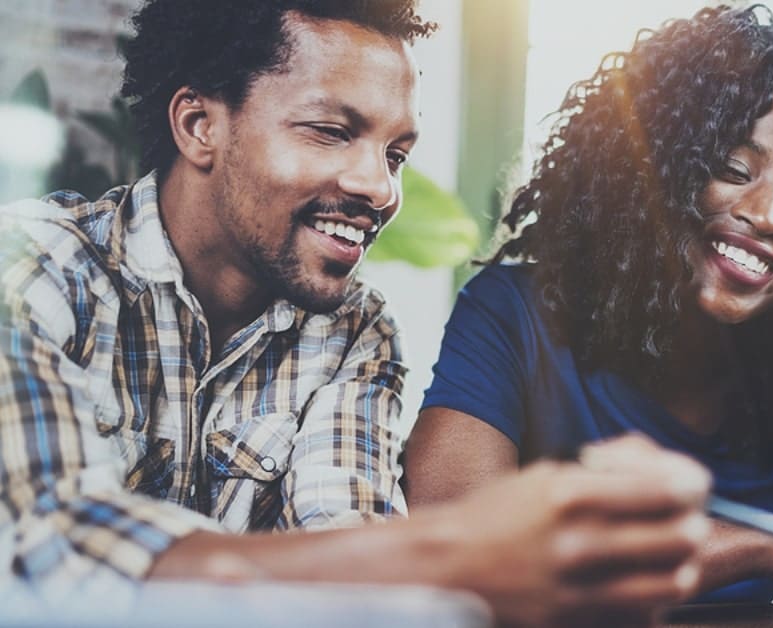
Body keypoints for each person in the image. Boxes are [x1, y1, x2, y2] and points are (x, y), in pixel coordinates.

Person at [0, 1, 714, 626]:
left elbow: (349, 543)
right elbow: (53, 545)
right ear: (198, 125)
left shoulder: (354, 333)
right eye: (331, 131)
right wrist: (460, 547)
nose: (379, 187)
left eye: (396, 153)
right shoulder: (31, 267)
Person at [407, 3, 773, 604]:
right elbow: (457, 552)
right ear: (657, 169)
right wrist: (772, 542)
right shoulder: (514, 314)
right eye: (732, 168)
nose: (767, 216)